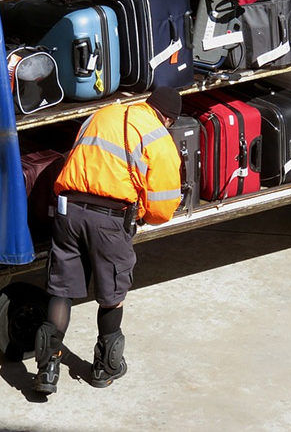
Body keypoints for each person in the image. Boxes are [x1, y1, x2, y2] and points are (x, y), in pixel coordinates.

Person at [34, 86, 183, 395]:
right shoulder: (157, 136)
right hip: (109, 219)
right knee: (112, 294)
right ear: (168, 119)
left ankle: (47, 370)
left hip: (68, 211)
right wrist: (140, 214)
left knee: (62, 290)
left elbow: (77, 155)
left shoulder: (103, 115)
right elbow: (162, 206)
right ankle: (105, 367)